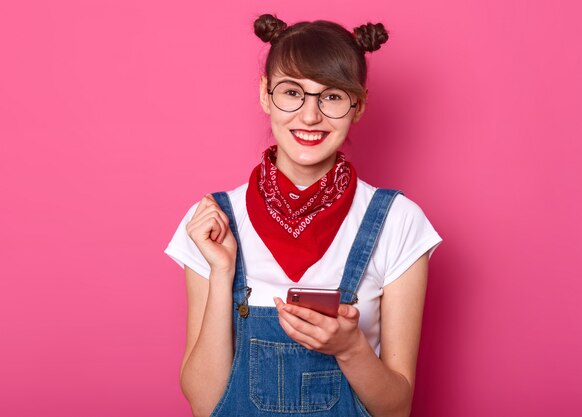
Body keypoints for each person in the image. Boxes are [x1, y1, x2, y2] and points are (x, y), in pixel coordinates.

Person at [164, 13, 442, 417]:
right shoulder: (213, 222)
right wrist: (223, 271)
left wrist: (350, 348)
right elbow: (207, 406)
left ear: (358, 105)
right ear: (265, 94)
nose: (310, 116)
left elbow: (396, 410)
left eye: (331, 96)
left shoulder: (398, 222)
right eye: (292, 93)